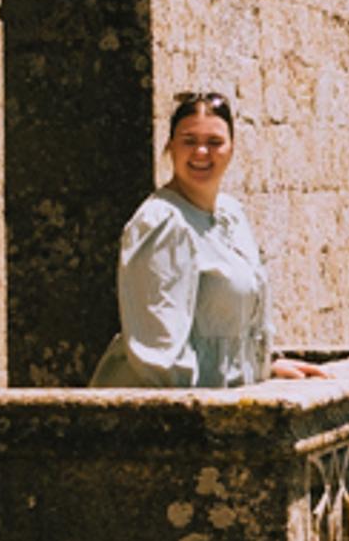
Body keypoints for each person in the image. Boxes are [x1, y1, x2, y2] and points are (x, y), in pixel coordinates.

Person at [90, 91, 325, 389]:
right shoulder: (162, 223)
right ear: (170, 146)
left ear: (232, 149)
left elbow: (229, 326)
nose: (201, 152)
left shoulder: (232, 214)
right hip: (172, 418)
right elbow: (160, 359)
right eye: (189, 141)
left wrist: (265, 366)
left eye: (214, 142)